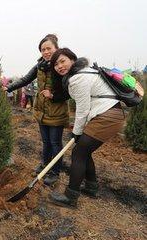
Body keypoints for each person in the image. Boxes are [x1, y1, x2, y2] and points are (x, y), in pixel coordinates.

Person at [48, 48, 125, 208]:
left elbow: (82, 109)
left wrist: (76, 133)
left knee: (78, 152)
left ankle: (71, 197)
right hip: (110, 114)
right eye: (56, 65)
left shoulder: (78, 78)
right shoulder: (85, 71)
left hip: (106, 117)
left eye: (62, 61)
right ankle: (91, 187)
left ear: (72, 59)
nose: (59, 66)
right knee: (84, 150)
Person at [4, 34, 69, 186]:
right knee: (46, 142)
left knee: (55, 143)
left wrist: (53, 95)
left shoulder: (61, 66)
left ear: (56, 48)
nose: (46, 52)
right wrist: (8, 87)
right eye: (43, 49)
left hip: (56, 111)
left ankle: (54, 172)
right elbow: (26, 79)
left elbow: (69, 91)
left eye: (49, 48)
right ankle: (45, 164)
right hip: (41, 110)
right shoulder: (40, 65)